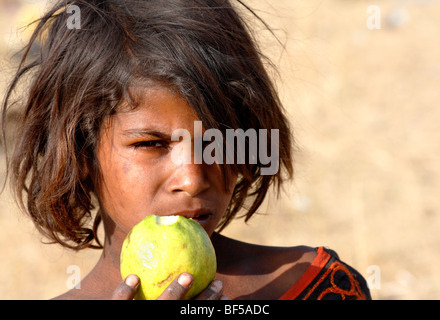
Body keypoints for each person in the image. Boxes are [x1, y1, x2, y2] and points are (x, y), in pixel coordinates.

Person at [1, 0, 371, 300]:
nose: (193, 178)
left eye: (218, 139)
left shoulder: (315, 285)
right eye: (150, 144)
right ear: (81, 153)